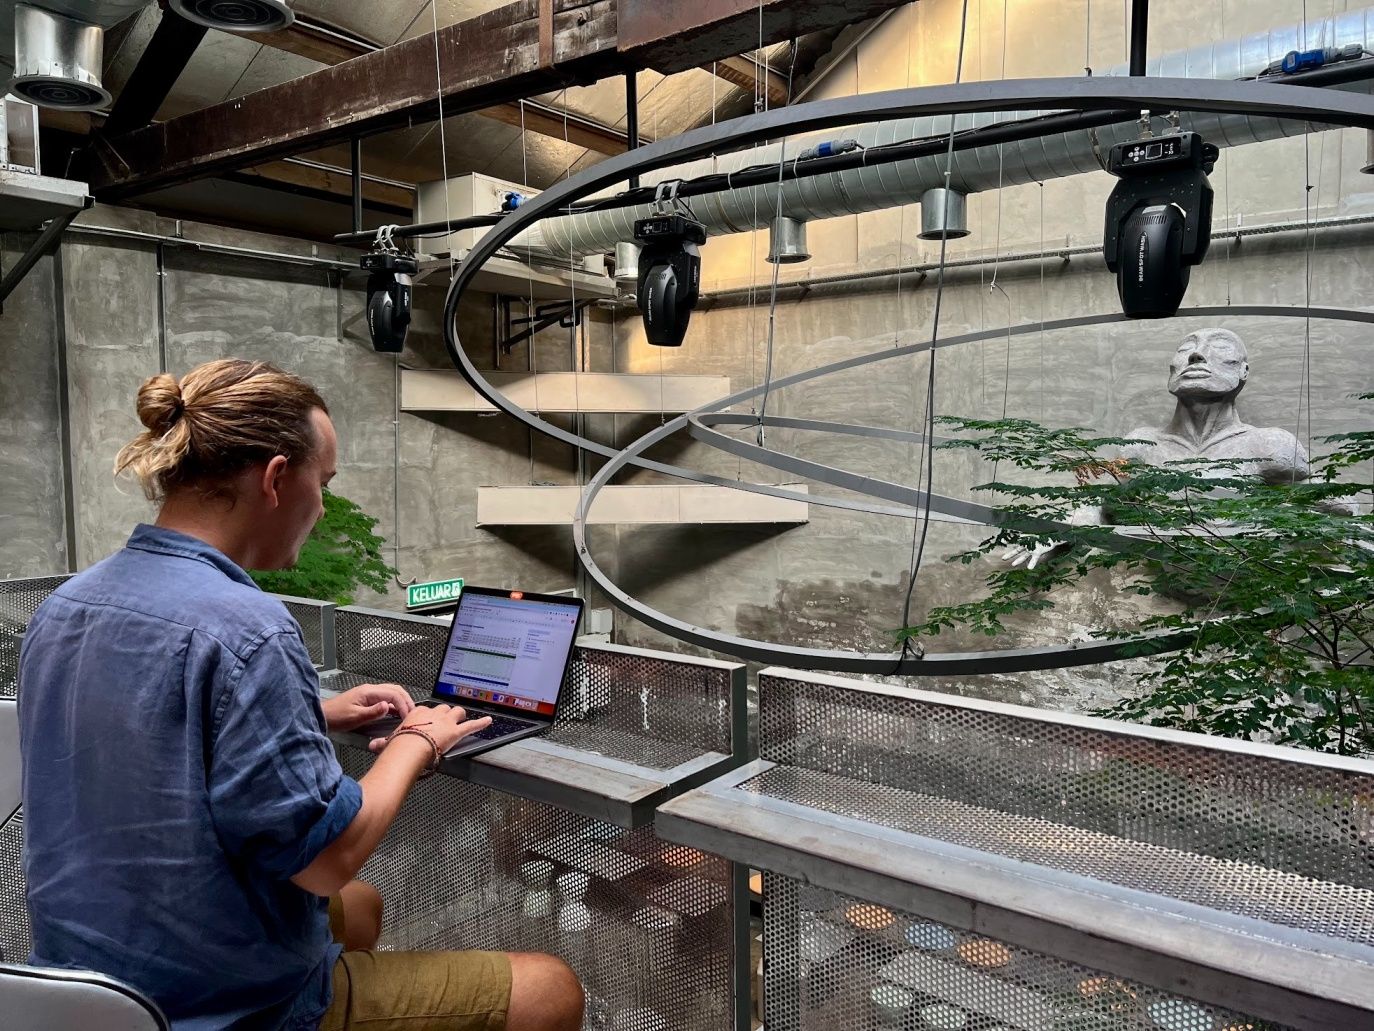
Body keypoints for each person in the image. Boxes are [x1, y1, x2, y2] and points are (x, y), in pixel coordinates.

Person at [18, 359, 584, 1031]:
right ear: (277, 478)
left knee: (364, 906)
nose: (324, 505)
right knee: (550, 988)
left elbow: (142, 715)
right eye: (326, 482)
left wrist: (313, 709)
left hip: (83, 982)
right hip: (216, 1008)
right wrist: (417, 741)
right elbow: (326, 858)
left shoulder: (65, 606)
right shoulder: (248, 626)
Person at [1006, 327, 1314, 568]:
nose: (1196, 356)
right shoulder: (1141, 445)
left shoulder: (1269, 445)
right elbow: (1100, 500)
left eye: (1219, 348)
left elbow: (1327, 501)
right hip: (1151, 584)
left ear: (1243, 370)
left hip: (1237, 585)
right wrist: (1065, 529)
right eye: (1186, 349)